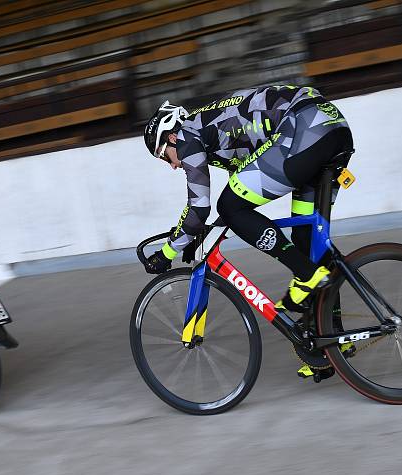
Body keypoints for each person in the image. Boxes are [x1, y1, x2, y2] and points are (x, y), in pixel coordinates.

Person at [142, 86, 353, 375]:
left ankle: (306, 275)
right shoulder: (217, 133)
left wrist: (167, 252)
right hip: (332, 128)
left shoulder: (189, 135)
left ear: (171, 137)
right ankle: (335, 339)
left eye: (165, 156)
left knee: (229, 205)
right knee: (307, 239)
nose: (172, 166)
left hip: (303, 129)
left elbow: (199, 207)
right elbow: (242, 189)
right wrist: (200, 233)